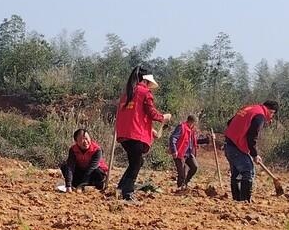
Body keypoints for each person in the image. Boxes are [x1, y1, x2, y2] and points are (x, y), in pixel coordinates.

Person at [112, 66, 170, 203]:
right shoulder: (144, 93)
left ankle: (121, 187)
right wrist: (164, 117)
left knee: (137, 161)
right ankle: (128, 193)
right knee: (135, 163)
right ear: (146, 81)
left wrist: (150, 130)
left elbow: (134, 115)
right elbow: (151, 113)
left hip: (124, 134)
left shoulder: (127, 93)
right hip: (135, 134)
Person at [221, 100, 278, 202]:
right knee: (248, 171)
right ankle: (245, 201)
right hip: (236, 148)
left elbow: (229, 122)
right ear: (271, 111)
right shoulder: (260, 116)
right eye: (272, 115)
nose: (271, 118)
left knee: (237, 174)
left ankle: (237, 200)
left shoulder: (249, 108)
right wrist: (254, 154)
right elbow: (252, 137)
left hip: (229, 145)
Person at [58, 128, 110, 192]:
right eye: (81, 139)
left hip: (93, 173)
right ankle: (75, 185)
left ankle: (91, 187)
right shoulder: (73, 150)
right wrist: (68, 185)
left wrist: (82, 185)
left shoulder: (97, 150)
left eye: (86, 138)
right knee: (65, 166)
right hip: (82, 171)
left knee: (97, 172)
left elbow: (91, 168)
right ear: (76, 141)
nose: (85, 141)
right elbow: (70, 167)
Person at [169, 114, 200, 190]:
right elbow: (173, 138)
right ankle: (180, 188)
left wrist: (207, 140)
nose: (195, 125)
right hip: (180, 153)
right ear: (192, 122)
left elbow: (194, 141)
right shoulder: (181, 127)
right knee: (182, 172)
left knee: (194, 167)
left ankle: (186, 182)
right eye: (194, 123)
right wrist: (174, 150)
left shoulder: (191, 130)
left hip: (189, 153)